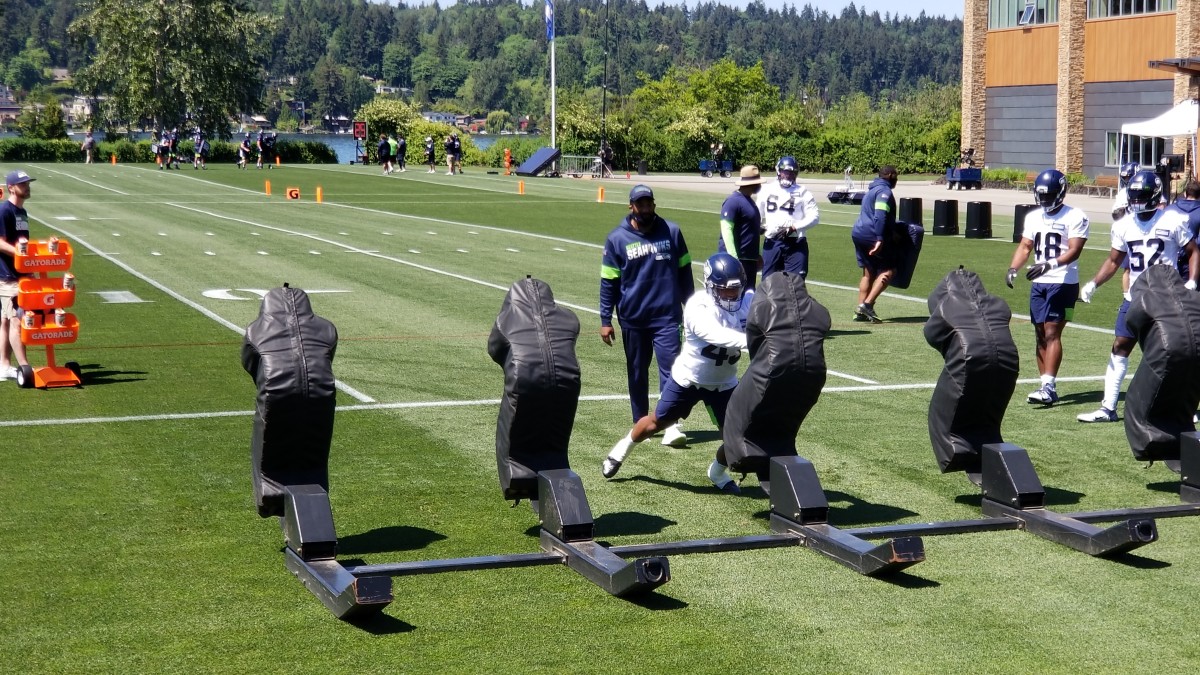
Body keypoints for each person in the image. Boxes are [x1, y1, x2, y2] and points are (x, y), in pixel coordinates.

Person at [602, 253, 751, 492]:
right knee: (654, 423)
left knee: (738, 439)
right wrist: (752, 341)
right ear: (710, 285)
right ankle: (622, 448)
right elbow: (716, 335)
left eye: (735, 290)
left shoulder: (748, 300)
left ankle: (717, 473)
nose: (731, 295)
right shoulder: (698, 305)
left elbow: (769, 310)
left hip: (724, 383)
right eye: (724, 290)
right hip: (688, 380)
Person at [1076, 169, 1199, 422]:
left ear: (1154, 195)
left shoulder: (1173, 219)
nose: (1137, 200)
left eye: (1141, 195)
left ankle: (1181, 407)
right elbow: (1114, 261)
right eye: (1134, 195)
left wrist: (1192, 282)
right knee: (1119, 346)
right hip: (1135, 296)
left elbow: (1193, 251)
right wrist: (1094, 283)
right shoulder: (1123, 225)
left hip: (1167, 297)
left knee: (1175, 352)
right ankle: (1108, 408)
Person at [600, 184, 695, 447]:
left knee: (673, 369)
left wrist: (693, 308)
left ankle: (671, 424)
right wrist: (605, 320)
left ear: (654, 204)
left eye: (649, 203)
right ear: (631, 206)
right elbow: (609, 281)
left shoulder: (672, 232)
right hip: (633, 318)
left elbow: (685, 273)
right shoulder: (617, 239)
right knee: (638, 372)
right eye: (640, 204)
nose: (645, 208)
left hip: (667, 317)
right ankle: (641, 420)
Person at [1004, 169, 1090, 406]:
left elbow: (1074, 250)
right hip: (1040, 283)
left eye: (1049, 195)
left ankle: (1049, 386)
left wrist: (1049, 264)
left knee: (1052, 332)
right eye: (1041, 195)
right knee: (1040, 333)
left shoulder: (1075, 216)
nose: (1044, 200)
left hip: (1063, 282)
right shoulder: (1033, 216)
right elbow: (1025, 246)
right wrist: (1013, 268)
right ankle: (1044, 385)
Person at [850, 165, 900, 323]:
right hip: (872, 234)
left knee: (869, 272)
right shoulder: (884, 192)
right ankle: (867, 305)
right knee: (889, 269)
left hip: (858, 233)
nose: (896, 180)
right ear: (891, 175)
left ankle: (859, 311)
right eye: (896, 176)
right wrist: (879, 237)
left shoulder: (872, 189)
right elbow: (880, 215)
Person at [757, 155, 819, 280]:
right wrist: (758, 226)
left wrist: (794, 227)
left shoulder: (803, 192)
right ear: (779, 171)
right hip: (772, 240)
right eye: (785, 172)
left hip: (795, 242)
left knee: (795, 283)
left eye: (791, 173)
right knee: (768, 282)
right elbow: (757, 212)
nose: (788, 176)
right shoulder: (766, 189)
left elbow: (814, 216)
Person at [0, 170, 34, 382]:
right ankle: (24, 367)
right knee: (16, 320)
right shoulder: (4, 211)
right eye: (22, 184)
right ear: (11, 187)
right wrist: (19, 253)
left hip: (19, 275)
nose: (27, 186)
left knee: (4, 320)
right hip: (8, 276)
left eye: (28, 183)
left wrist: (29, 264)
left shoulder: (22, 212)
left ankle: (3, 366)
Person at [717, 165, 764, 289]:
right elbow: (726, 229)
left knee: (747, 298)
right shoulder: (733, 201)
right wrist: (734, 259)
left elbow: (748, 229)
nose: (760, 186)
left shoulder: (749, 201)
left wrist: (756, 255)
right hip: (737, 261)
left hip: (749, 261)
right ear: (751, 183)